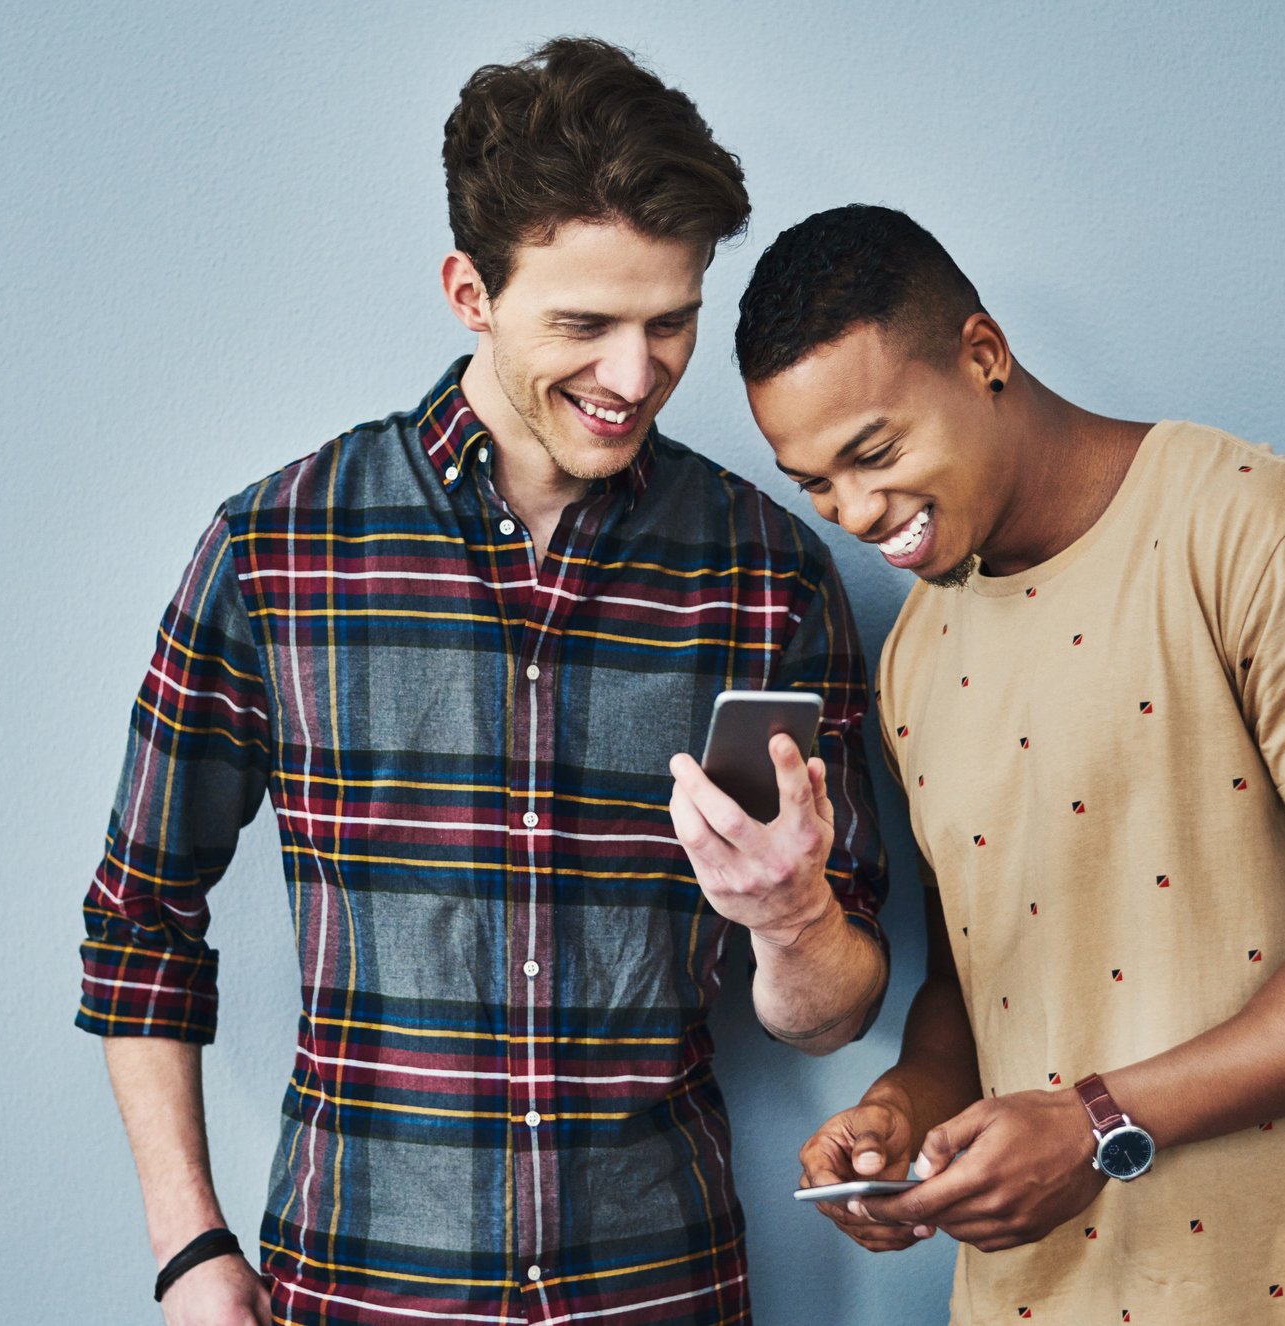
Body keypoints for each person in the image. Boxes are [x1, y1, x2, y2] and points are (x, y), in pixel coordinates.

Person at [79, 41, 891, 1326]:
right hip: (358, 1292)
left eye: (670, 321)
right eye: (586, 324)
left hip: (656, 1290)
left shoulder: (766, 574)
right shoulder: (279, 548)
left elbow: (834, 1014)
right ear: (471, 291)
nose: (635, 377)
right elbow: (139, 927)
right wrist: (189, 1251)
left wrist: (792, 919)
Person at [735, 203, 1285, 1325]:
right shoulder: (914, 653)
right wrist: (904, 1110)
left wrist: (1098, 1120)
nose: (856, 510)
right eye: (813, 482)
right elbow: (984, 971)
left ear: (984, 354)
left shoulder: (1263, 533)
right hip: (1037, 1301)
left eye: (876, 451)